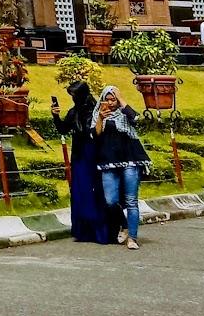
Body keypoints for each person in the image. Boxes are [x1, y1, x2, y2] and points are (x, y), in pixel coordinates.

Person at [53, 83, 120, 245]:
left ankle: (102, 231)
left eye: (75, 95)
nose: (74, 99)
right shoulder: (74, 112)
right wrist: (55, 116)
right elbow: (63, 129)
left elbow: (100, 133)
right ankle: (83, 231)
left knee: (97, 192)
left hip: (95, 155)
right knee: (81, 191)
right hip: (79, 155)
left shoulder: (97, 111)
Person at [94, 84, 151, 250]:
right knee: (110, 200)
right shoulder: (98, 114)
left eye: (114, 100)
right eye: (108, 99)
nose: (111, 103)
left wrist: (122, 100)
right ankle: (124, 224)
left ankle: (132, 238)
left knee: (131, 200)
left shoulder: (125, 113)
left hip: (130, 159)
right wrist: (100, 118)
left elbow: (136, 119)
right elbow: (94, 136)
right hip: (108, 160)